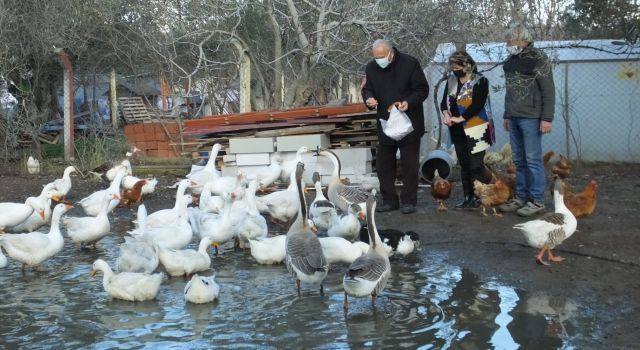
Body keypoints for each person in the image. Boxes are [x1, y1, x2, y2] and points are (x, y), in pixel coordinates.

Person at [362, 39, 429, 214]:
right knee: (384, 165)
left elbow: (422, 89)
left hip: (409, 122)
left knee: (409, 164)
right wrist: (368, 99)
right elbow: (367, 88)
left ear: (391, 52)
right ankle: (389, 200)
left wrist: (409, 102)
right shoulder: (371, 68)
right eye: (376, 57)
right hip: (386, 123)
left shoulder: (410, 63)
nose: (379, 60)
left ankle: (408, 201)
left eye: (382, 57)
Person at [499, 22, 555, 217]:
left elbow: (548, 90)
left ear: (522, 39)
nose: (507, 43)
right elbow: (510, 91)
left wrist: (547, 118)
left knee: (533, 160)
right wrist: (507, 114)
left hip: (531, 117)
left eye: (509, 40)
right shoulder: (510, 60)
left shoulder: (539, 59)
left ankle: (537, 200)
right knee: (518, 160)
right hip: (514, 117)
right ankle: (521, 197)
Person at [440, 51, 494, 209]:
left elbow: (477, 104)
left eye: (457, 66)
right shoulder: (451, 81)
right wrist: (446, 115)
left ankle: (482, 196)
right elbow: (444, 103)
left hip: (477, 127)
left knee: (476, 165)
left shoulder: (480, 80)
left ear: (467, 65)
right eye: (452, 66)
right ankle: (468, 197)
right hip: (457, 129)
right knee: (464, 164)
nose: (454, 69)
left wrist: (461, 118)